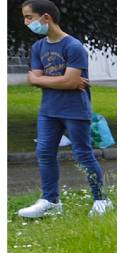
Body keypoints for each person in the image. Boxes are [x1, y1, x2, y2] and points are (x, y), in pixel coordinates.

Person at [18, 0, 111, 219]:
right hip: (48, 111)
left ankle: (102, 200)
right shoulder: (38, 47)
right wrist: (63, 80)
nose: (26, 22)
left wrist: (44, 79)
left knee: (83, 155)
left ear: (46, 17)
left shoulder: (73, 46)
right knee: (44, 153)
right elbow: (35, 79)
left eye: (29, 17)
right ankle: (51, 201)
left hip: (75, 110)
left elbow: (58, 81)